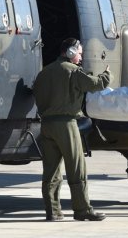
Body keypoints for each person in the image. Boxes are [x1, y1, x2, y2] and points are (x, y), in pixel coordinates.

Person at [32, 38, 112, 221]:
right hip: (66, 124)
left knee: (51, 171)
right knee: (77, 168)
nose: (81, 57)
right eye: (79, 53)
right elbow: (95, 84)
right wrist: (107, 75)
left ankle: (53, 211)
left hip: (46, 125)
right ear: (69, 52)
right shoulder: (72, 71)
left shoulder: (44, 73)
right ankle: (82, 210)